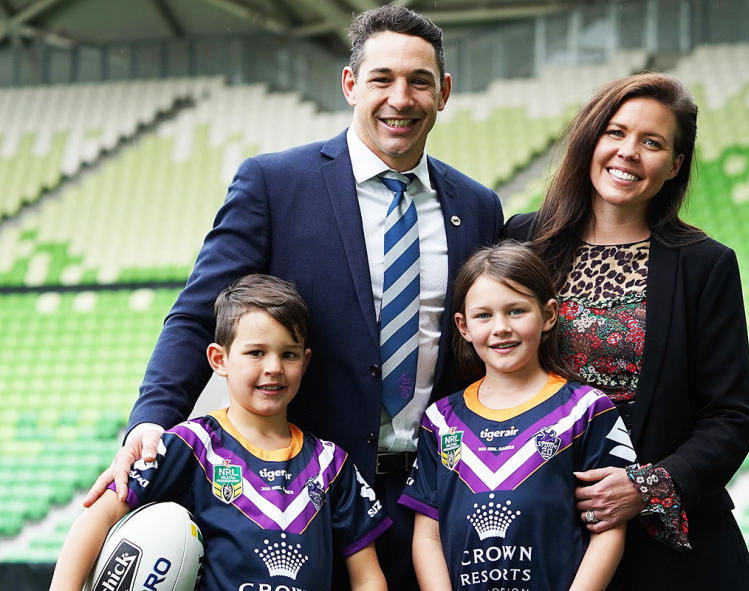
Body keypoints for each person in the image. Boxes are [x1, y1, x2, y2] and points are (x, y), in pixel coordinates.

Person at [83, 5, 503, 588]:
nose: (400, 98)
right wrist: (150, 421)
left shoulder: (477, 207)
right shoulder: (274, 183)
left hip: (436, 497)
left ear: (445, 92)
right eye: (382, 79)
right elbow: (199, 311)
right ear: (351, 85)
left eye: (420, 82)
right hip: (306, 501)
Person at [502, 73, 749, 589]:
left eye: (652, 142)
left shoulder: (704, 265)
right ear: (591, 139)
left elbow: (730, 418)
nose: (628, 153)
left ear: (674, 165)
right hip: (537, 526)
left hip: (664, 551)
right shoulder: (521, 240)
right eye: (616, 133)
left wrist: (644, 487)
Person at [51, 274, 389, 591]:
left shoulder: (332, 465)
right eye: (256, 352)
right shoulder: (190, 445)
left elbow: (367, 578)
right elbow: (97, 516)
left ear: (306, 360)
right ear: (219, 359)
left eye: (289, 354)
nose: (273, 367)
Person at [398, 242, 637, 590]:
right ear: (463, 326)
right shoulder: (440, 419)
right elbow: (427, 536)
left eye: (516, 311)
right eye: (484, 315)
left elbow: (609, 526)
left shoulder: (587, 409)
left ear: (549, 315)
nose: (501, 327)